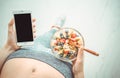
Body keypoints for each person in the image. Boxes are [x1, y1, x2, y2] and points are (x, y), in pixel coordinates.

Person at [0, 18, 84, 78]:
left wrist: (9, 47)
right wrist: (78, 74)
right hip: (61, 66)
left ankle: (54, 28)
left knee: (46, 37)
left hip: (23, 52)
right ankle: (55, 29)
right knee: (62, 42)